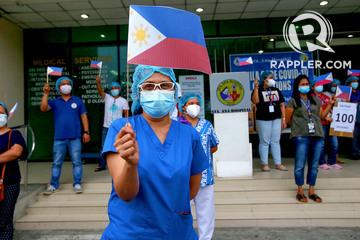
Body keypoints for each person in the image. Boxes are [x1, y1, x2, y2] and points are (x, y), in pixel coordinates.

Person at [101, 65, 208, 239]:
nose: (157, 91)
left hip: (176, 232)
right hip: (130, 233)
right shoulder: (122, 130)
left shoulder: (189, 135)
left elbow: (191, 190)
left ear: (174, 93)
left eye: (165, 86)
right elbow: (126, 195)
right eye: (149, 86)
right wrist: (130, 164)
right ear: (137, 93)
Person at [175, 92, 219, 240]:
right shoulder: (175, 124)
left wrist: (201, 156)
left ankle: (205, 238)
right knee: (181, 210)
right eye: (191, 103)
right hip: (182, 176)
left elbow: (214, 146)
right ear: (183, 107)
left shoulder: (207, 125)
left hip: (205, 175)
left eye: (197, 103)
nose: (195, 106)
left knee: (205, 212)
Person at [286, 75, 334, 203]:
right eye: (302, 84)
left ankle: (312, 190)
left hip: (317, 135)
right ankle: (300, 190)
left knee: (314, 165)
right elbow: (288, 119)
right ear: (297, 86)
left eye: (307, 84)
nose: (305, 86)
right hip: (301, 135)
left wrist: (329, 105)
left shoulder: (315, 100)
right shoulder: (293, 101)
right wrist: (298, 126)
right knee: (300, 164)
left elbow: (322, 116)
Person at [40, 77, 90, 194]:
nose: (66, 86)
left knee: (77, 162)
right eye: (63, 84)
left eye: (68, 84)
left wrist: (86, 132)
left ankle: (77, 183)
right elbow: (43, 108)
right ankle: (53, 185)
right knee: (57, 163)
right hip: (59, 138)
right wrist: (45, 94)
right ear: (58, 88)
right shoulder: (55, 102)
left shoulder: (77, 101)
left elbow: (84, 116)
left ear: (71, 86)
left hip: (75, 137)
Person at [251, 71, 287, 172]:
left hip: (276, 118)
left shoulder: (276, 90)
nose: (272, 79)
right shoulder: (259, 89)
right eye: (270, 77)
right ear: (264, 79)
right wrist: (256, 88)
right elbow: (255, 101)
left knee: (275, 141)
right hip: (263, 119)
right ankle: (264, 163)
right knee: (264, 141)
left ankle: (278, 163)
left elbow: (282, 104)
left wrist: (283, 119)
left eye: (272, 77)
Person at [0, 102, 26, 240]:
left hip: (8, 183)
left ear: (7, 115)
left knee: (5, 219)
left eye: (1, 112)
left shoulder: (14, 134)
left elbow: (15, 152)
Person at [94, 76, 129, 172]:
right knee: (104, 146)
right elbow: (100, 91)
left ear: (119, 89)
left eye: (116, 88)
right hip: (106, 127)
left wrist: (126, 127)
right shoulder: (107, 98)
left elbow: (126, 115)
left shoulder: (123, 101)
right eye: (112, 88)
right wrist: (98, 83)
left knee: (120, 146)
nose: (114, 90)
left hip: (118, 128)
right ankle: (102, 165)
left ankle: (121, 164)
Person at [310, 80, 341, 170]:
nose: (320, 86)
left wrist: (334, 102)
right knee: (321, 143)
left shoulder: (326, 96)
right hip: (320, 123)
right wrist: (324, 117)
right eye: (317, 85)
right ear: (312, 87)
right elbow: (313, 111)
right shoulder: (311, 97)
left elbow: (333, 108)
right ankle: (322, 162)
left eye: (321, 85)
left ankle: (332, 162)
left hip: (331, 122)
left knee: (334, 144)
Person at [346, 76, 360, 160]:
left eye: (357, 81)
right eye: (353, 81)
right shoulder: (347, 93)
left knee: (359, 136)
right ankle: (354, 152)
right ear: (349, 83)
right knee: (353, 136)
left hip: (359, 116)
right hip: (352, 117)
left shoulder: (358, 92)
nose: (355, 83)